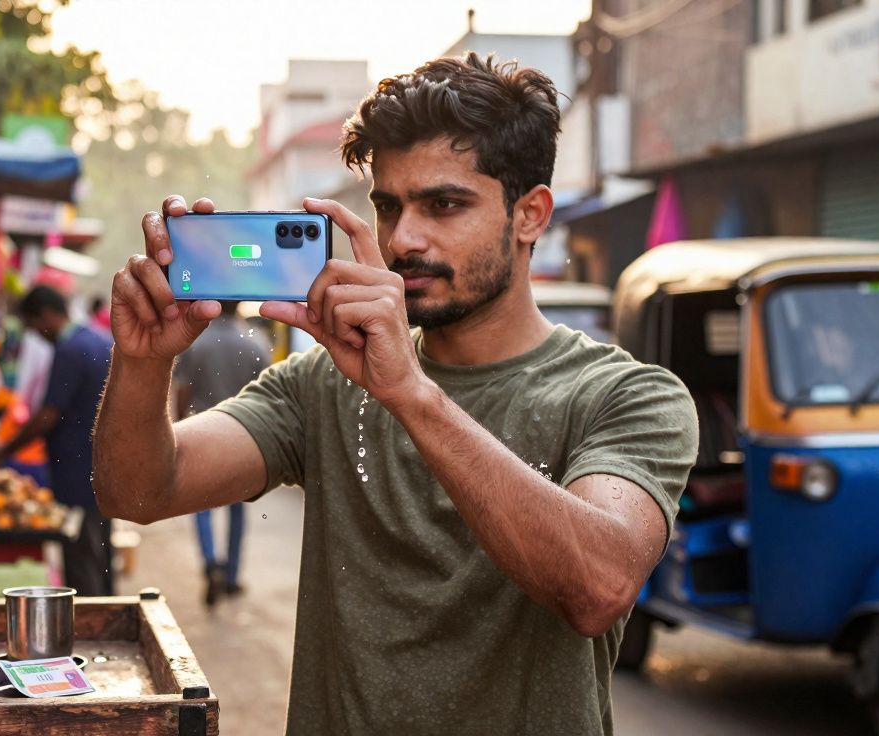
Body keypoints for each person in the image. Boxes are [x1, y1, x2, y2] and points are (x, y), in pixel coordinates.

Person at [93, 53, 698, 735]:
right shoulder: (323, 383)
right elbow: (136, 493)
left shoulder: (626, 396)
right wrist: (143, 362)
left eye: (444, 204)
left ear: (529, 215)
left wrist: (411, 394)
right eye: (389, 206)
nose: (404, 239)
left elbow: (597, 589)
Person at [0, 285, 115, 596]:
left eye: (33, 327)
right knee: (100, 554)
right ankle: (108, 614)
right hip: (103, 468)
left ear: (46, 315)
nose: (36, 336)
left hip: (77, 471)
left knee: (82, 557)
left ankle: (91, 626)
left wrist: (3, 451)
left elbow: (48, 414)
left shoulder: (70, 350)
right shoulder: (99, 340)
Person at [172, 301, 271, 606]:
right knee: (238, 508)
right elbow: (267, 394)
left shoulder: (197, 342)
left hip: (202, 431)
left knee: (202, 505)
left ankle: (210, 561)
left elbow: (183, 390)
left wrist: (179, 427)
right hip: (245, 436)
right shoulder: (256, 342)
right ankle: (231, 576)